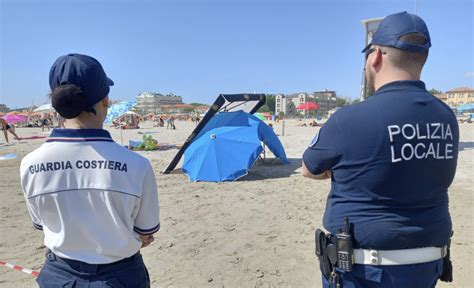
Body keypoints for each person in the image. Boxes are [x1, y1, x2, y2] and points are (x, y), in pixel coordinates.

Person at [302, 12, 458, 288]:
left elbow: (309, 169)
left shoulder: (349, 119)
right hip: (427, 264)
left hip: (365, 271)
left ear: (375, 56)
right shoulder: (447, 118)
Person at [20, 53, 160, 287]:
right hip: (120, 274)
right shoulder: (137, 165)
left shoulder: (30, 164)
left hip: (60, 274)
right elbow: (146, 230)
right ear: (105, 99)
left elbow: (42, 224)